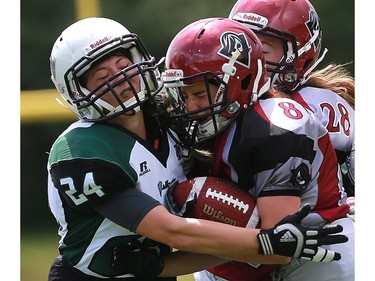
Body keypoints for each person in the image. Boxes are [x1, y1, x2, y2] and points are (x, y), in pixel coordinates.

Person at [46, 17, 347, 281]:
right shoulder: (81, 150)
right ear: (78, 92)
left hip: (151, 270)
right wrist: (266, 242)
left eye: (124, 65)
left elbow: (218, 242)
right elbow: (171, 231)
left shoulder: (174, 126)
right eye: (104, 76)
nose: (122, 77)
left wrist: (265, 243)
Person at [161, 17, 354, 281]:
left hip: (315, 253)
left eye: (200, 94)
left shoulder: (275, 127)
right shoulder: (214, 124)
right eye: (183, 95)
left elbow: (279, 245)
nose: (190, 107)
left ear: (239, 82)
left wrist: (166, 257)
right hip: (248, 253)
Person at [228, 0, 355, 198]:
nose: (249, 58)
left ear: (301, 56)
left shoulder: (313, 105)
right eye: (240, 47)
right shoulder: (221, 101)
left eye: (263, 49)